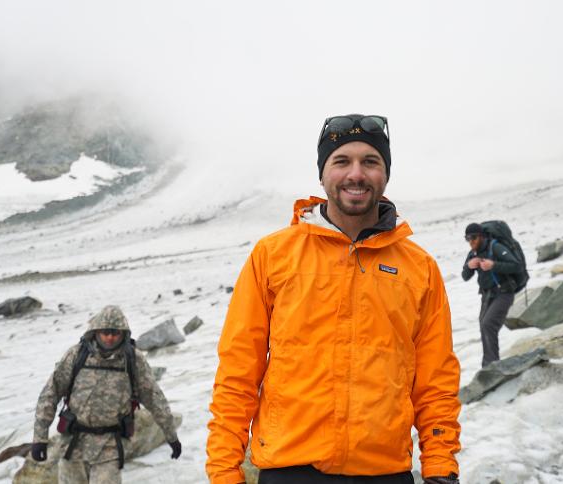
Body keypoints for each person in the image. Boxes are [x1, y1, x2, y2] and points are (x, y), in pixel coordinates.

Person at [206, 114, 461, 484]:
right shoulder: (273, 255)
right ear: (322, 174)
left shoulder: (419, 268)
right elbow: (237, 372)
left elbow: (436, 380)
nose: (355, 174)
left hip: (385, 472)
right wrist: (224, 471)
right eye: (341, 161)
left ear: (385, 174)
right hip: (290, 470)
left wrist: (440, 465)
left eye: (370, 162)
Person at [31, 305, 182, 484]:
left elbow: (155, 399)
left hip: (109, 446)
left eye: (115, 333)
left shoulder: (133, 360)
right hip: (72, 444)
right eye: (105, 332)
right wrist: (39, 438)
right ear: (95, 332)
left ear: (123, 333)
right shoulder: (76, 355)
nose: (110, 337)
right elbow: (50, 394)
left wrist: (171, 436)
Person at [461, 223, 524, 367]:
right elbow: (465, 276)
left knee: (488, 325)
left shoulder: (495, 247)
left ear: (481, 236)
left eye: (474, 238)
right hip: (487, 295)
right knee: (484, 327)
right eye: (468, 239)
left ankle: (492, 364)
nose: (471, 242)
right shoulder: (473, 254)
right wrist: (469, 266)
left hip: (504, 293)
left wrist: (493, 265)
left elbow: (516, 266)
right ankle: (489, 365)